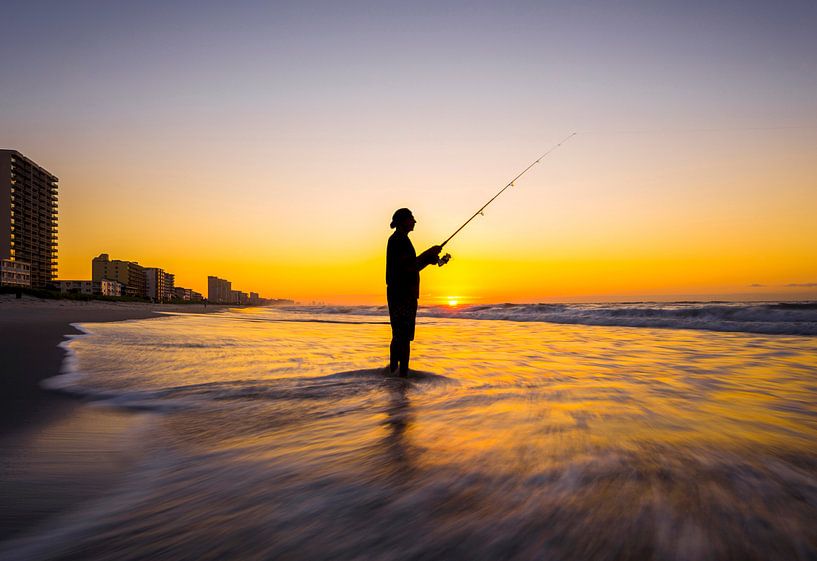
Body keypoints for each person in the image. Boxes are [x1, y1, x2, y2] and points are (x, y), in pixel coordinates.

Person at [386, 208, 445, 377]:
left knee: (399, 335)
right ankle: (402, 377)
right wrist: (428, 254)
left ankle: (394, 374)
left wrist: (428, 259)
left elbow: (411, 267)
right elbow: (409, 268)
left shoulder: (399, 240)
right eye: (412, 218)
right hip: (402, 294)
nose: (415, 221)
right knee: (403, 337)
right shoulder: (399, 240)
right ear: (403, 221)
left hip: (401, 293)